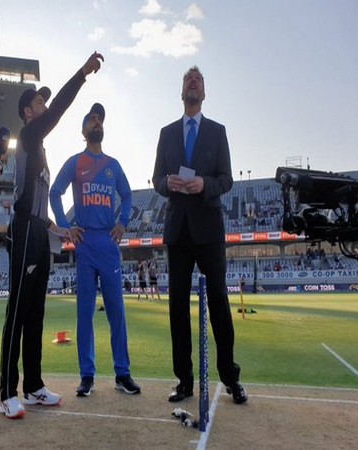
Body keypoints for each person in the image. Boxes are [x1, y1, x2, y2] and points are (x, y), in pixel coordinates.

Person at [0, 51, 104, 419]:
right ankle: (7, 390)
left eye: (44, 100)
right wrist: (81, 73)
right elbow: (59, 109)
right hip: (24, 230)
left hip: (39, 231)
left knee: (37, 312)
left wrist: (60, 228)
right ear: (28, 111)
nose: (44, 104)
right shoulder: (28, 135)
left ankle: (33, 386)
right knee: (18, 310)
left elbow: (40, 207)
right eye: (39, 101)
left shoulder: (40, 150)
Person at [152, 66, 247, 405]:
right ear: (182, 91)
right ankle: (184, 381)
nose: (193, 83)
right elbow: (156, 179)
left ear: (203, 93)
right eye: (188, 79)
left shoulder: (217, 131)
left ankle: (230, 377)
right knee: (177, 308)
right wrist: (168, 184)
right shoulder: (166, 133)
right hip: (178, 230)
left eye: (198, 80)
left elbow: (227, 179)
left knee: (219, 304)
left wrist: (205, 184)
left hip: (208, 230)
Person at [50, 103, 140, 398]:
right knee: (84, 312)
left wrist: (123, 223)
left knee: (117, 311)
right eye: (91, 119)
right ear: (83, 130)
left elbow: (127, 196)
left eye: (100, 119)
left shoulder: (113, 165)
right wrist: (64, 225)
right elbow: (54, 192)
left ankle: (122, 373)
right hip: (85, 243)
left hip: (108, 244)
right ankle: (86, 375)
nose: (96, 122)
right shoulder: (76, 162)